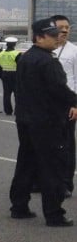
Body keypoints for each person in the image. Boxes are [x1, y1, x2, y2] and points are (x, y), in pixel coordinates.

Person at [8, 17, 77, 226]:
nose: (57, 39)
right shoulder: (48, 61)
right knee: (52, 167)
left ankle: (19, 206)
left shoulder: (26, 58)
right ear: (39, 37)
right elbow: (59, 90)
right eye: (53, 36)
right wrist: (74, 100)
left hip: (26, 119)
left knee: (26, 163)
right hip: (47, 121)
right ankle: (54, 213)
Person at [52, 15, 76, 196]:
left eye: (67, 27)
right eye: (61, 27)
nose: (65, 30)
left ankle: (66, 183)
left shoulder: (73, 52)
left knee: (67, 145)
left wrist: (75, 104)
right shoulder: (44, 50)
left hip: (67, 104)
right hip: (46, 105)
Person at [0, 36, 21, 116]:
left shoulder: (1, 53)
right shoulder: (16, 54)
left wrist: (1, 75)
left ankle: (8, 111)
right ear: (14, 44)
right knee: (17, 93)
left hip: (5, 73)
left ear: (6, 44)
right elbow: (20, 65)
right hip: (15, 74)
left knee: (6, 93)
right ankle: (17, 110)